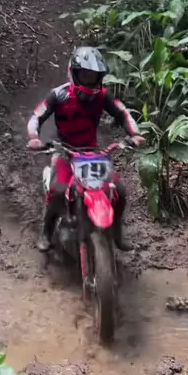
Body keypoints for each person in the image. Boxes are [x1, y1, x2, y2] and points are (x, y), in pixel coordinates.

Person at [27, 45, 145, 252]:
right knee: (58, 190)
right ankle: (47, 232)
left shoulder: (102, 96)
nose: (89, 80)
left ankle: (117, 233)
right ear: (74, 73)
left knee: (119, 190)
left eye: (93, 76)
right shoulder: (58, 95)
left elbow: (123, 112)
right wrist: (35, 138)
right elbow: (37, 116)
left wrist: (134, 134)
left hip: (92, 153)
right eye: (85, 75)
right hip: (64, 151)